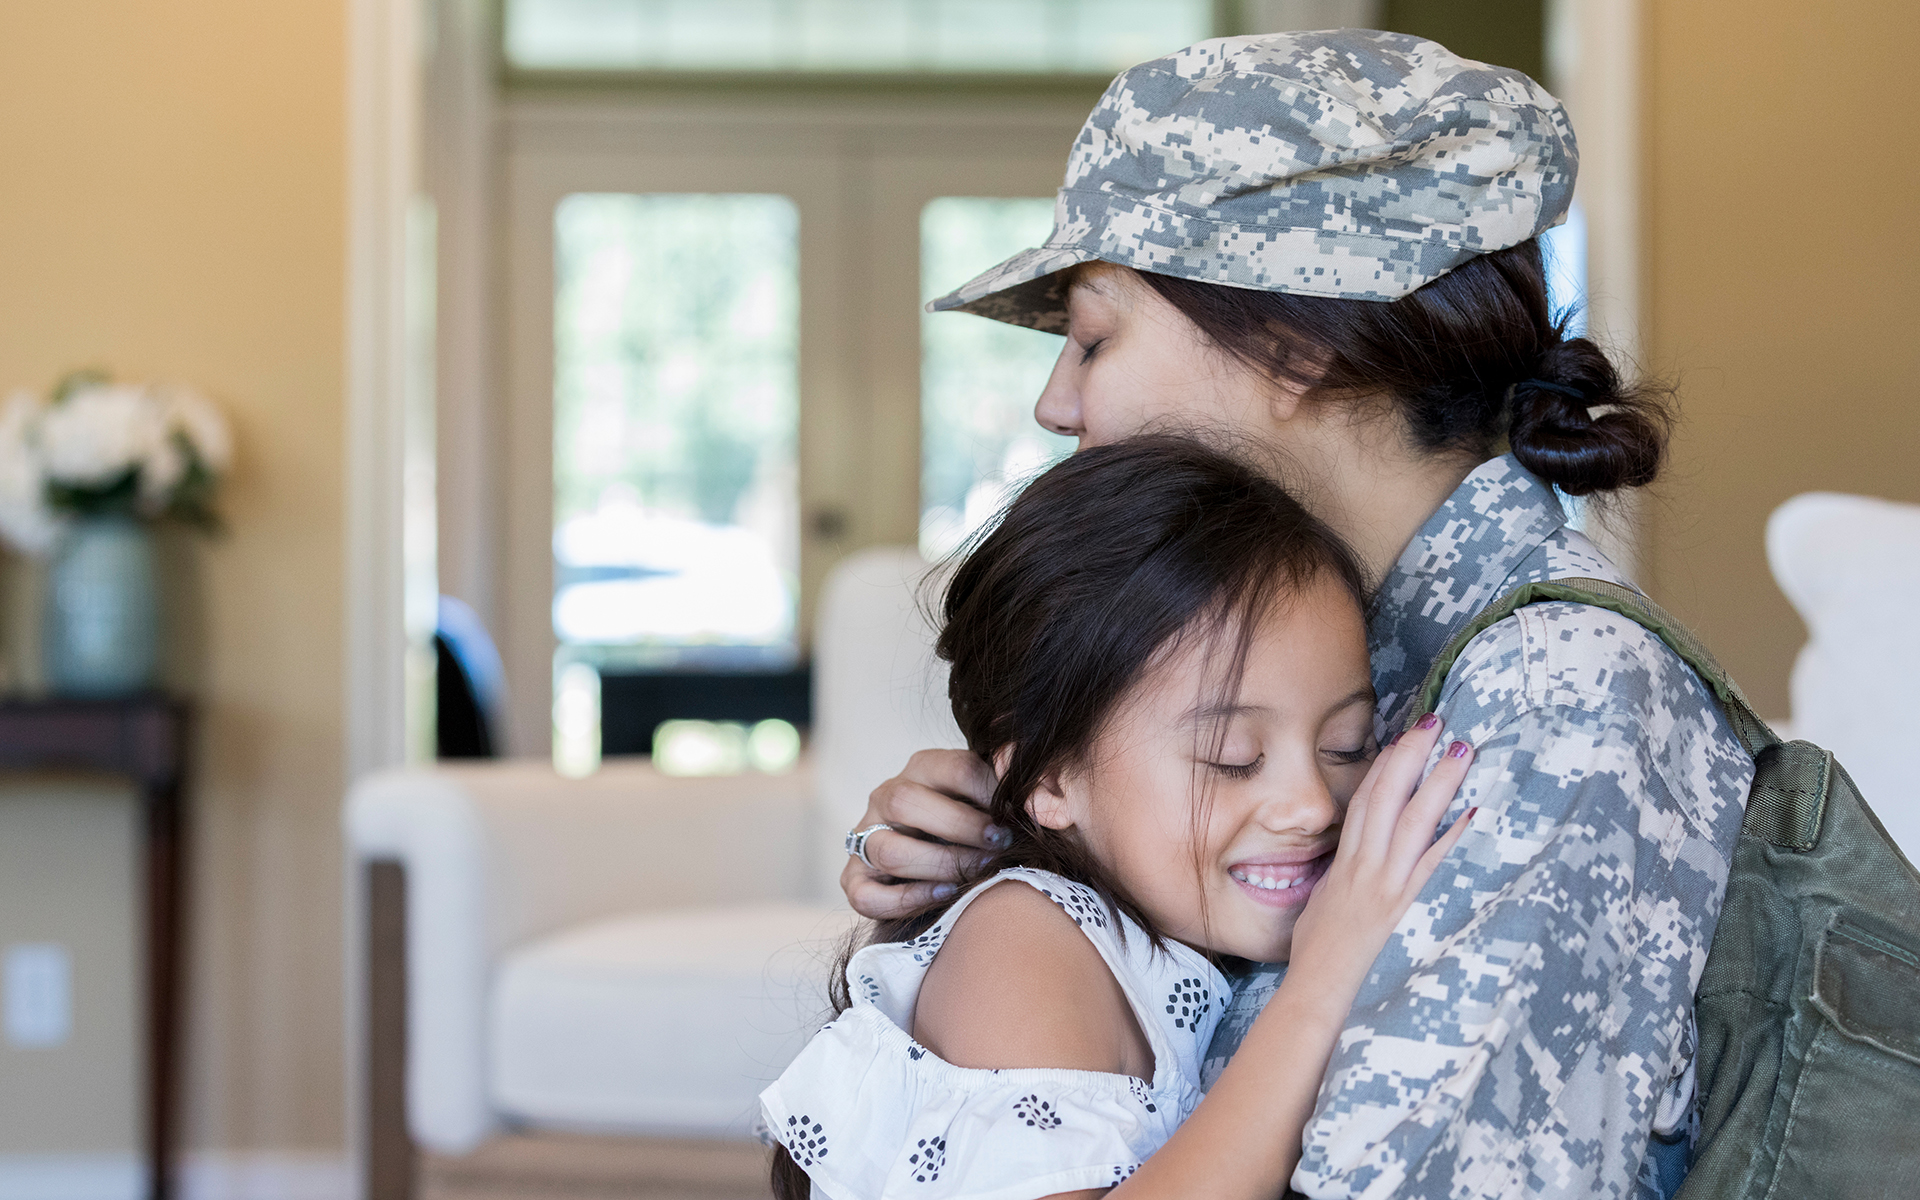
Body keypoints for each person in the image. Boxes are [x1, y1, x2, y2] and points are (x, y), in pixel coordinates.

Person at [840, 30, 1752, 1199]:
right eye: (1234, 752)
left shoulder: (1549, 689)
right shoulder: (1363, 645)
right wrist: (1024, 841)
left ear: (1291, 339)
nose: (1054, 401)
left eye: (1093, 336)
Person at [765, 436, 1479, 1198]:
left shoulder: (1163, 925)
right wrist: (1321, 989)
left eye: (1347, 743)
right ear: (1049, 775)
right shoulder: (1022, 940)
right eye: (1233, 757)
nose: (1311, 806)